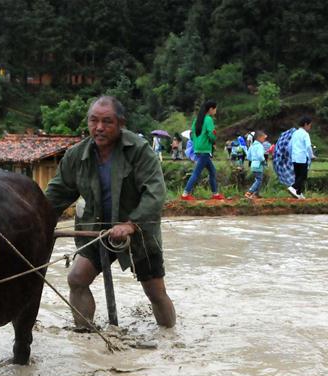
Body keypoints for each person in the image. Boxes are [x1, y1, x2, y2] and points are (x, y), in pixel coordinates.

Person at [45, 95, 176, 329]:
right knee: (76, 279)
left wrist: (131, 224)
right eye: (93, 121)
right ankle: (85, 334)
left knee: (155, 292)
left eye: (107, 122)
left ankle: (170, 339)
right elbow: (56, 195)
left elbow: (155, 193)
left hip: (138, 233)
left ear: (121, 123)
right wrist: (38, 220)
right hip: (96, 232)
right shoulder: (76, 156)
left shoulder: (139, 150)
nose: (99, 128)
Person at [182, 100, 222, 200]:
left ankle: (215, 194)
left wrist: (197, 143)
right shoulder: (208, 119)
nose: (216, 111)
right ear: (211, 109)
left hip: (199, 149)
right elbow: (211, 134)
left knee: (212, 171)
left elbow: (191, 134)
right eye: (215, 109)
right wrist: (213, 141)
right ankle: (185, 194)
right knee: (196, 172)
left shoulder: (197, 119)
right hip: (205, 150)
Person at [289, 116, 314, 198]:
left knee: (298, 175)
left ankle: (298, 193)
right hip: (302, 158)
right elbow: (308, 146)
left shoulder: (295, 133)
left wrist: (291, 155)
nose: (310, 128)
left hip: (294, 157)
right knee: (303, 175)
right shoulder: (305, 134)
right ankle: (293, 187)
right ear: (306, 124)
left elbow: (290, 146)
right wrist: (311, 155)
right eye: (310, 126)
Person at [244, 130, 268, 199]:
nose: (264, 140)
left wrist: (254, 160)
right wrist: (264, 162)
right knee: (259, 180)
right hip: (258, 165)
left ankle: (256, 194)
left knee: (258, 179)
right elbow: (260, 156)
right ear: (259, 138)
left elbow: (248, 156)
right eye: (264, 138)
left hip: (253, 165)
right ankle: (249, 192)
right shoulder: (260, 146)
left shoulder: (252, 146)